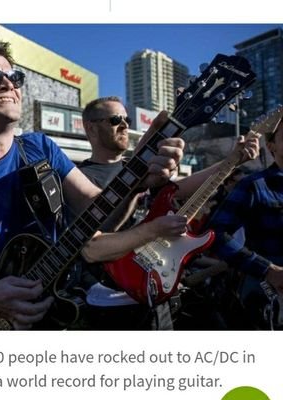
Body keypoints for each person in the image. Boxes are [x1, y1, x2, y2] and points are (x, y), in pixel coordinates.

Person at [0, 37, 184, 330]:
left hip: (51, 316)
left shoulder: (40, 148)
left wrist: (136, 182)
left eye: (14, 77)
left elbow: (99, 212)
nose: (8, 84)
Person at [77, 96, 260, 330]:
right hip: (108, 299)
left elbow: (186, 186)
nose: (124, 125)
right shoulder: (77, 178)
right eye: (115, 120)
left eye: (127, 119)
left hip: (157, 288)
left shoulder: (144, 169)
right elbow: (87, 242)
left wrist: (233, 160)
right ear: (91, 127)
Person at [210, 118, 283, 329]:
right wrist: (267, 270)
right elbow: (216, 234)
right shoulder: (254, 186)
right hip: (269, 299)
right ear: (271, 146)